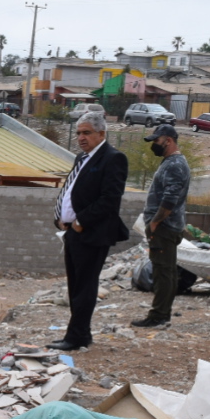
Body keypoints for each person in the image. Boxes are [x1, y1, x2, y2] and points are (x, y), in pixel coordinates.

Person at [49, 112, 129, 351]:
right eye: (78, 133)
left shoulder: (113, 158)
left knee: (85, 286)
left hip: (92, 233)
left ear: (101, 134)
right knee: (75, 285)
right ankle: (80, 334)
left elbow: (110, 199)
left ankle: (76, 337)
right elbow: (72, 190)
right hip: (73, 232)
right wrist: (61, 219)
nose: (81, 138)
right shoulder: (82, 158)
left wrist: (80, 221)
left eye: (86, 133)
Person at [132, 123, 191, 328]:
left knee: (163, 272)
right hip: (166, 227)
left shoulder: (175, 165)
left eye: (157, 141)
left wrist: (155, 223)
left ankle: (159, 315)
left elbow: (169, 200)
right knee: (166, 271)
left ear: (169, 140)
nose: (154, 145)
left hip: (164, 228)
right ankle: (161, 313)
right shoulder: (171, 162)